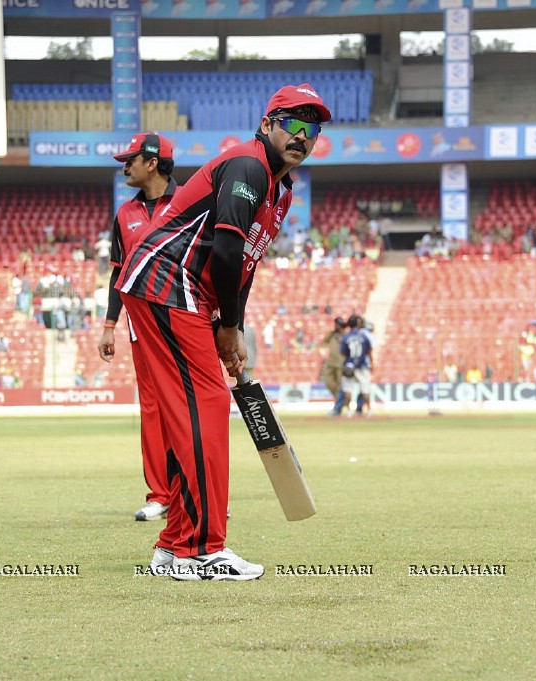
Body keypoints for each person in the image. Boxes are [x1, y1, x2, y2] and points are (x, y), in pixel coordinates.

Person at [118, 83, 331, 580]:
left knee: (198, 408)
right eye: (291, 123)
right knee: (204, 408)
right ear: (266, 125)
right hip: (166, 281)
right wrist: (229, 327)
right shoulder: (248, 166)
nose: (302, 135)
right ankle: (201, 550)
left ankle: (174, 548)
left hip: (181, 291)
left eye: (312, 127)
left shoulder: (281, 188)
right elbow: (226, 253)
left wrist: (226, 328)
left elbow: (245, 263)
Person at [97, 132, 179, 523]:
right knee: (152, 409)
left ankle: (198, 492)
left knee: (189, 407)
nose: (124, 166)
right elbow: (119, 273)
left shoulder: (188, 202)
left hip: (184, 322)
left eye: (130, 160)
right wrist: (110, 325)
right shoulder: (124, 214)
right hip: (140, 327)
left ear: (151, 162)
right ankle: (160, 495)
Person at [340, 314, 374, 417]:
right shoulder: (364, 336)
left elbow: (342, 352)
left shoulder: (346, 337)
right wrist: (372, 363)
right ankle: (368, 410)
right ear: (358, 323)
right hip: (362, 365)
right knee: (365, 389)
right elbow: (369, 351)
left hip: (349, 366)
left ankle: (349, 411)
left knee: (348, 390)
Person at [321, 317, 348, 416]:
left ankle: (338, 407)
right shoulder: (332, 334)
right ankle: (339, 401)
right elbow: (324, 342)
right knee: (329, 383)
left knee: (341, 386)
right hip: (330, 363)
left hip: (341, 363)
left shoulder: (346, 335)